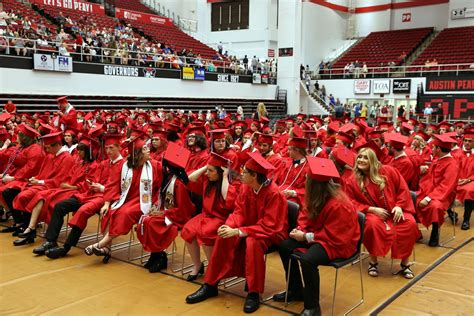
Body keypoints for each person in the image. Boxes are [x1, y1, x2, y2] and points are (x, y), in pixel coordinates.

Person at [185, 152, 288, 314]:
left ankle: (254, 293)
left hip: (270, 233)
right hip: (249, 228)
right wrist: (229, 226)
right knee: (223, 234)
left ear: (254, 176)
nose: (241, 174)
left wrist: (239, 231)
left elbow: (270, 225)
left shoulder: (274, 194)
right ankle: (211, 284)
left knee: (252, 243)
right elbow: (239, 212)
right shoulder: (247, 188)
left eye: (245, 172)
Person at [274, 157, 359, 316]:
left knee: (308, 260)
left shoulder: (340, 204)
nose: (305, 180)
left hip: (338, 243)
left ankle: (312, 307)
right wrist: (299, 230)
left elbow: (336, 236)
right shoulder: (314, 195)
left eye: (307, 179)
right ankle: (295, 290)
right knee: (285, 246)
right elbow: (305, 216)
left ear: (316, 184)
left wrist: (305, 236)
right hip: (319, 235)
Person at [84, 137, 162, 262]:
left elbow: (161, 188)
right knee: (109, 211)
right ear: (138, 154)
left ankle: (100, 244)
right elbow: (113, 184)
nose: (149, 151)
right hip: (127, 199)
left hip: (145, 201)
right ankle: (106, 248)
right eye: (145, 149)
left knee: (125, 213)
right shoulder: (124, 166)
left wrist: (157, 204)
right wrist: (106, 203)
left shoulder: (155, 166)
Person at [345, 147, 418, 279]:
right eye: (359, 157)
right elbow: (349, 202)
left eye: (365, 157)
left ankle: (405, 263)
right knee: (372, 225)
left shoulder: (388, 171)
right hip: (372, 212)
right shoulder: (352, 180)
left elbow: (403, 189)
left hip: (394, 209)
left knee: (410, 223)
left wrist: (399, 206)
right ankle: (373, 261)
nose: (361, 160)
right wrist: (371, 209)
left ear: (373, 160)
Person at [181, 153, 238, 281]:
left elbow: (226, 198)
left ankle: (214, 268)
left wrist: (224, 176)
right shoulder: (207, 180)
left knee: (206, 233)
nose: (207, 173)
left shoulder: (230, 183)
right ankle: (197, 265)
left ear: (220, 172)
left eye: (211, 171)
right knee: (187, 230)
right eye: (207, 171)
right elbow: (190, 178)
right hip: (206, 215)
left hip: (221, 219)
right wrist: (206, 167)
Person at [415, 134, 459, 246]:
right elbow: (430, 179)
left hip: (444, 195)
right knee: (411, 200)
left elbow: (446, 186)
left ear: (439, 149)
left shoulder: (452, 164)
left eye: (434, 148)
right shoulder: (437, 160)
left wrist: (429, 197)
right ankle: (416, 232)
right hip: (429, 190)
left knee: (435, 206)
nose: (431, 150)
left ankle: (435, 231)